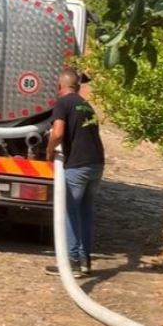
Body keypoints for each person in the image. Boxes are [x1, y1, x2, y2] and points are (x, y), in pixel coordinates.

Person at [44, 68, 105, 278]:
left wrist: (50, 150)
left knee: (69, 212)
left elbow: (58, 132)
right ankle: (85, 259)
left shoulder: (63, 103)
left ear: (60, 86)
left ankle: (72, 262)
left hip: (78, 165)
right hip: (96, 164)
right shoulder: (86, 105)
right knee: (85, 212)